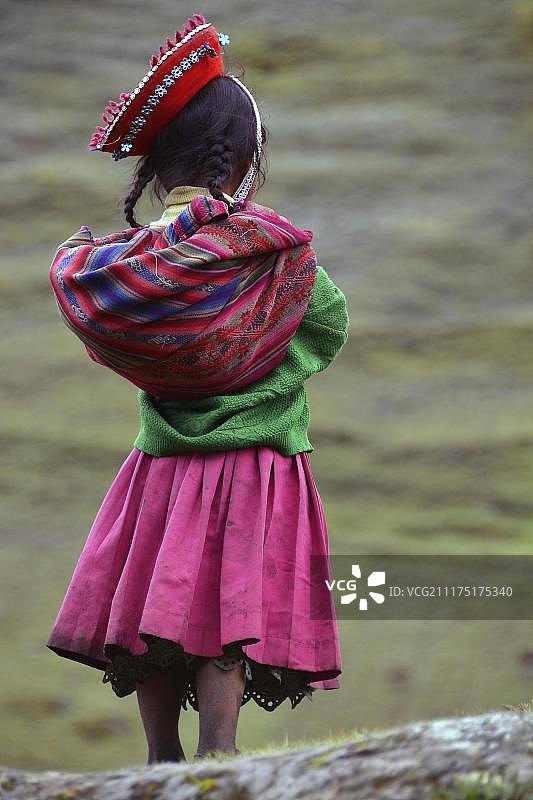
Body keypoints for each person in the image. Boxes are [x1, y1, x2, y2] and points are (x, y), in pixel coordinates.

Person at [46, 13, 349, 764]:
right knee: (225, 607)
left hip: (161, 463)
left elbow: (114, 329)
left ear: (159, 167)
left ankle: (160, 756)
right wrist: (262, 356)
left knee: (157, 600)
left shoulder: (132, 264)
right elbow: (327, 323)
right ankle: (219, 752)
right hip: (256, 465)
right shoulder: (271, 253)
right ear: (247, 161)